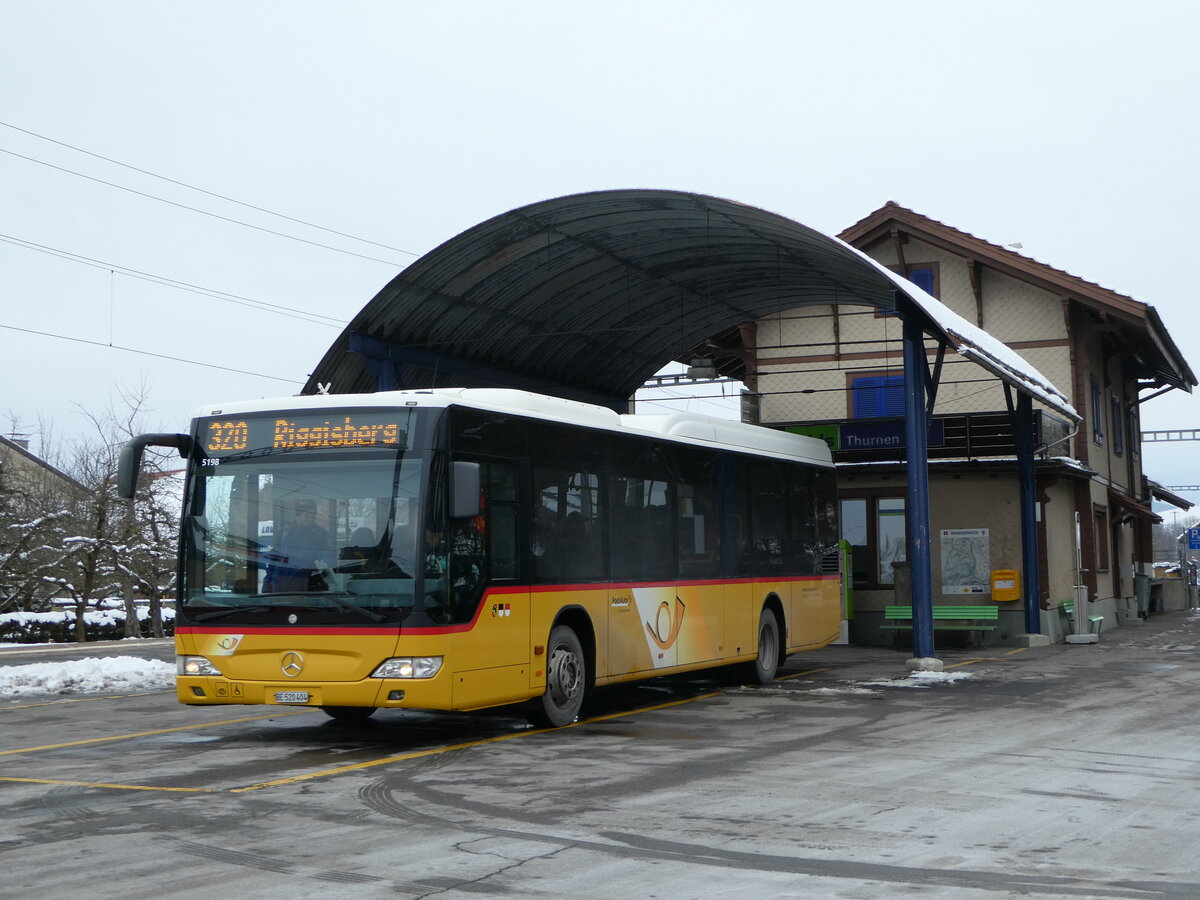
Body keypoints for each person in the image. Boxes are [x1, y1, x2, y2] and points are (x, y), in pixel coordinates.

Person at [266, 500, 330, 591]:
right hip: (282, 582)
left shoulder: (321, 534)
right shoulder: (284, 532)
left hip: (309, 583)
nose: (310, 519)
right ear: (298, 514)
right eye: (307, 515)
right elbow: (274, 559)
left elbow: (325, 561)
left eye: (313, 515)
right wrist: (268, 582)